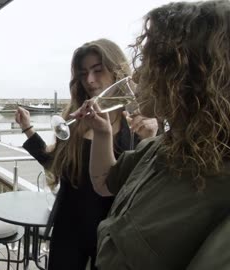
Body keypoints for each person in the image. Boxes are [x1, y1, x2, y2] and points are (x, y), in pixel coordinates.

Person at [78, 1, 230, 269]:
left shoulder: (221, 181)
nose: (136, 73)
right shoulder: (163, 147)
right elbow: (104, 183)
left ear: (185, 74)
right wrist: (102, 133)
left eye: (149, 61)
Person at [14, 39, 158, 269]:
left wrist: (151, 138)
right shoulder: (76, 117)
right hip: (69, 226)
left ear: (117, 71)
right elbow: (55, 164)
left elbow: (144, 185)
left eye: (98, 70)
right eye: (83, 74)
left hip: (112, 231)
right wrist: (28, 129)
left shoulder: (137, 121)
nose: (90, 80)